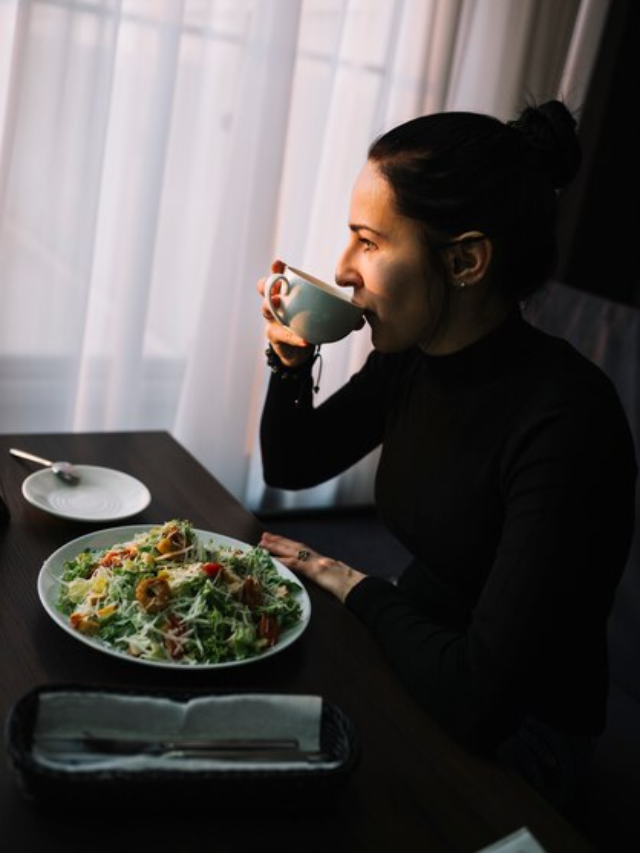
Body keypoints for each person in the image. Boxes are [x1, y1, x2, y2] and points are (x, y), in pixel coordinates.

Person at [255, 100, 637, 808]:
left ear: (465, 259)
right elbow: (294, 463)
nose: (342, 269)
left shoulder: (567, 423)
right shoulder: (417, 355)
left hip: (525, 728)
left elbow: (477, 699)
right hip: (426, 641)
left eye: (368, 242)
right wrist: (289, 360)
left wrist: (352, 583)